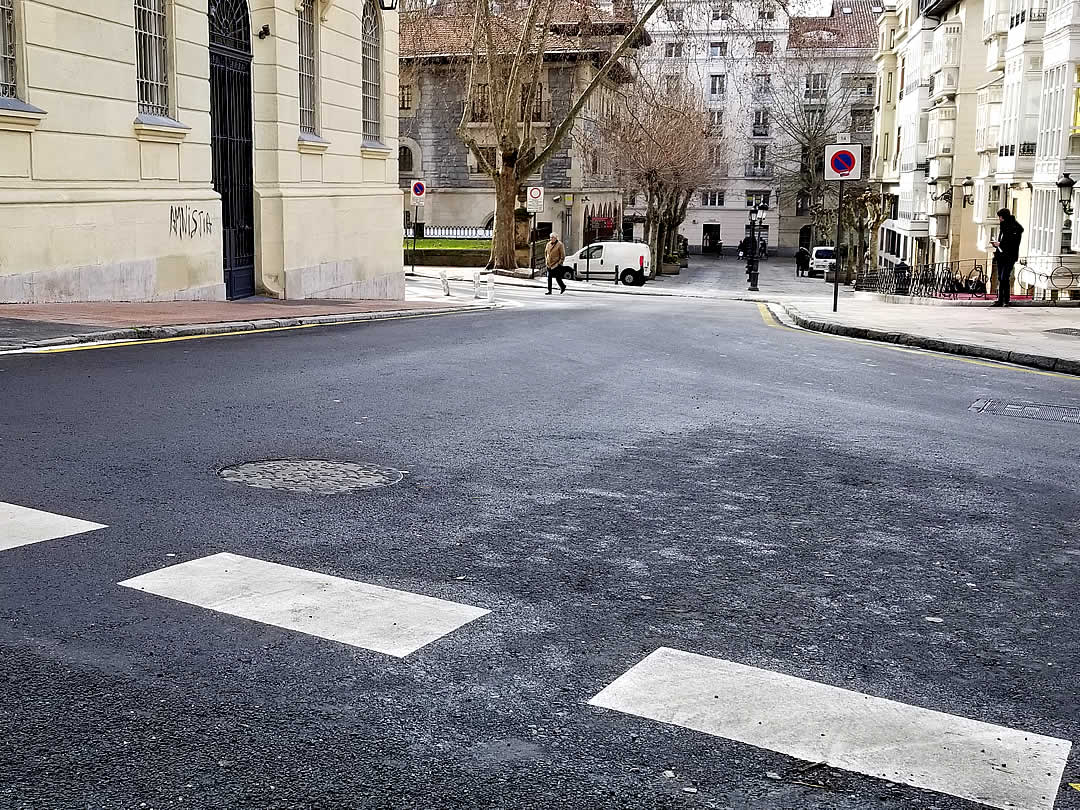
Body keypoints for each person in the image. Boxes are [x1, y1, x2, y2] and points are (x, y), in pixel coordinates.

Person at [990, 208, 1023, 307]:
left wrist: (1000, 244)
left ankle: (1006, 300)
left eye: (1000, 217)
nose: (999, 219)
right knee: (1001, 277)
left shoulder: (1014, 227)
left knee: (1005, 277)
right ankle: (1000, 299)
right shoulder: (1004, 226)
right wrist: (998, 244)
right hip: (1001, 255)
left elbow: (1012, 242)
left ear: (1003, 217)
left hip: (1009, 256)